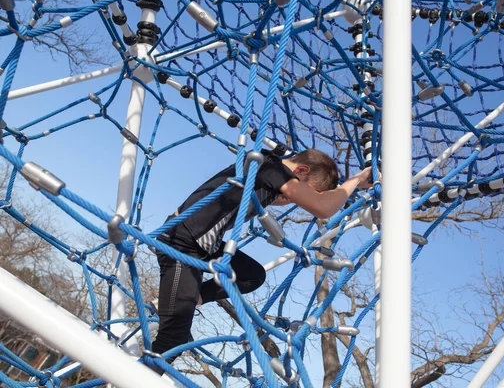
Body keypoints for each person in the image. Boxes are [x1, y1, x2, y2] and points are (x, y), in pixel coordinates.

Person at [150, 148, 373, 367]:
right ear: (302, 170)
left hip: (202, 244)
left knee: (252, 276)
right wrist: (355, 179)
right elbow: (323, 208)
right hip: (181, 241)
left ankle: (189, 298)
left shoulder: (263, 180)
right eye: (302, 191)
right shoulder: (269, 165)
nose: (291, 199)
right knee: (174, 337)